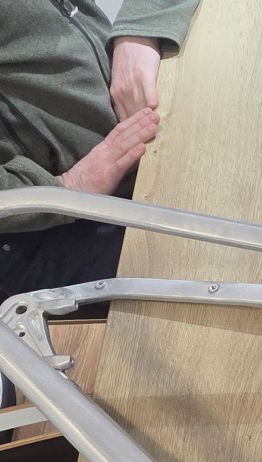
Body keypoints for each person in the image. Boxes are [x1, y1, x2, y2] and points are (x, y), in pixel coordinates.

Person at [0, 0, 201, 305]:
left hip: (134, 167)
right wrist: (66, 187)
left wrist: (138, 32)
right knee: (216, 269)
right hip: (44, 230)